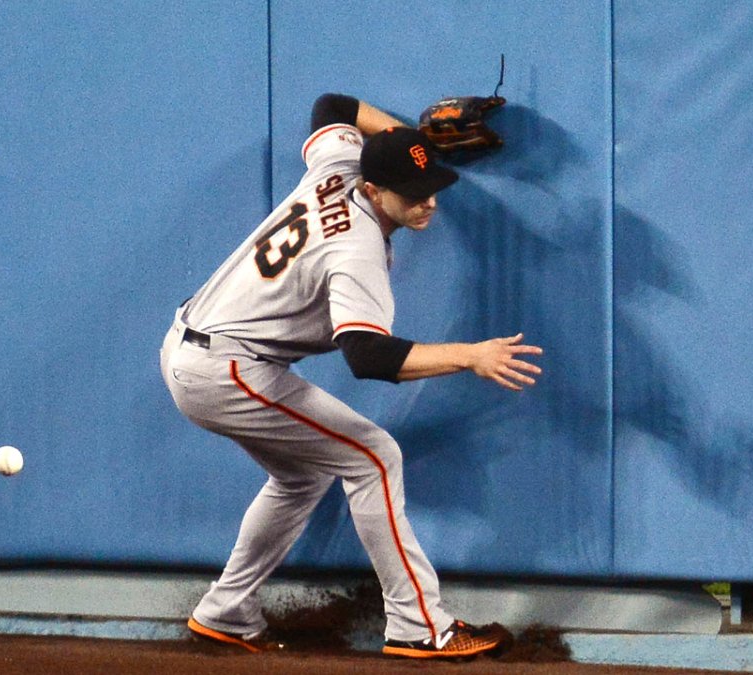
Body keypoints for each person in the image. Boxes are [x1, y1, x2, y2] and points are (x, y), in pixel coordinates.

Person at [159, 93, 543, 659]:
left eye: (432, 186)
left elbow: (331, 107)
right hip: (225, 369)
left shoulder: (339, 166)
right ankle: (420, 627)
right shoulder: (357, 247)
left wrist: (417, 143)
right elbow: (368, 359)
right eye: (413, 193)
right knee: (374, 457)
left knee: (303, 476)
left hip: (199, 347)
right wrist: (471, 355)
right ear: (372, 191)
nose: (429, 202)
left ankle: (226, 612)